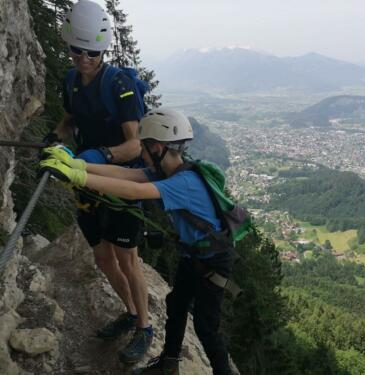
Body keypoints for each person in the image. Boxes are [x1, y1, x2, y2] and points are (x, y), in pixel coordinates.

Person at [40, 108, 236, 375]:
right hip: (195, 255)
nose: (141, 153)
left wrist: (78, 177)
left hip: (213, 261)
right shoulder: (170, 171)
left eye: (143, 148)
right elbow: (127, 176)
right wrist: (79, 164)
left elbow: (135, 190)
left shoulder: (184, 182)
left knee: (205, 327)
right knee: (176, 304)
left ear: (156, 147)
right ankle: (169, 364)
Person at [46, 0, 152, 363]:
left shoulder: (119, 85)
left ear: (102, 49)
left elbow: (135, 144)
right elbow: (70, 118)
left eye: (91, 51)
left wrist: (99, 157)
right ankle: (130, 312)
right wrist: (57, 137)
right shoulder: (71, 80)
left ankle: (145, 329)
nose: (83, 57)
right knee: (103, 256)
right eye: (77, 49)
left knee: (127, 257)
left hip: (120, 180)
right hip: (85, 176)